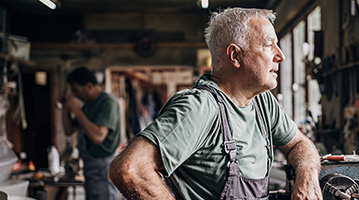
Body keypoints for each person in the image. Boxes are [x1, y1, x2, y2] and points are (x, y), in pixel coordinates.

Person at [109, 7, 323, 200]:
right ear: (235, 56)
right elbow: (130, 169)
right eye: (269, 45)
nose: (281, 56)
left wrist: (308, 173)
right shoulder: (199, 108)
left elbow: (298, 143)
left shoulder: (262, 102)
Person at [62, 66, 121, 200]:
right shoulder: (88, 104)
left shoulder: (107, 102)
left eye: (76, 90)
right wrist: (67, 108)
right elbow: (68, 130)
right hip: (90, 164)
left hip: (103, 165)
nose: (74, 94)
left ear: (89, 86)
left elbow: (98, 137)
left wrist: (77, 110)